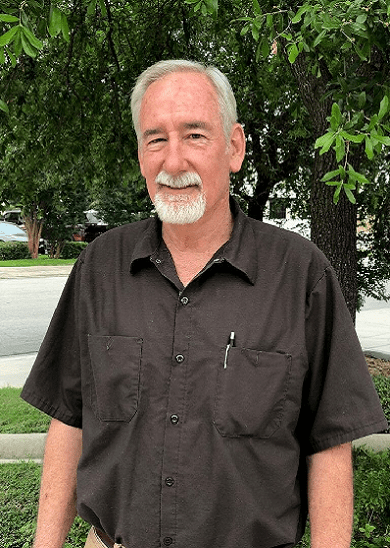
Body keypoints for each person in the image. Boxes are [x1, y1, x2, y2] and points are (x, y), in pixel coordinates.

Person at [22, 59, 387, 548]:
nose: (174, 162)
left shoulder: (300, 274)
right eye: (156, 139)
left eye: (195, 135)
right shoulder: (99, 268)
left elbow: (329, 445)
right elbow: (69, 418)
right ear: (140, 155)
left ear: (234, 147)